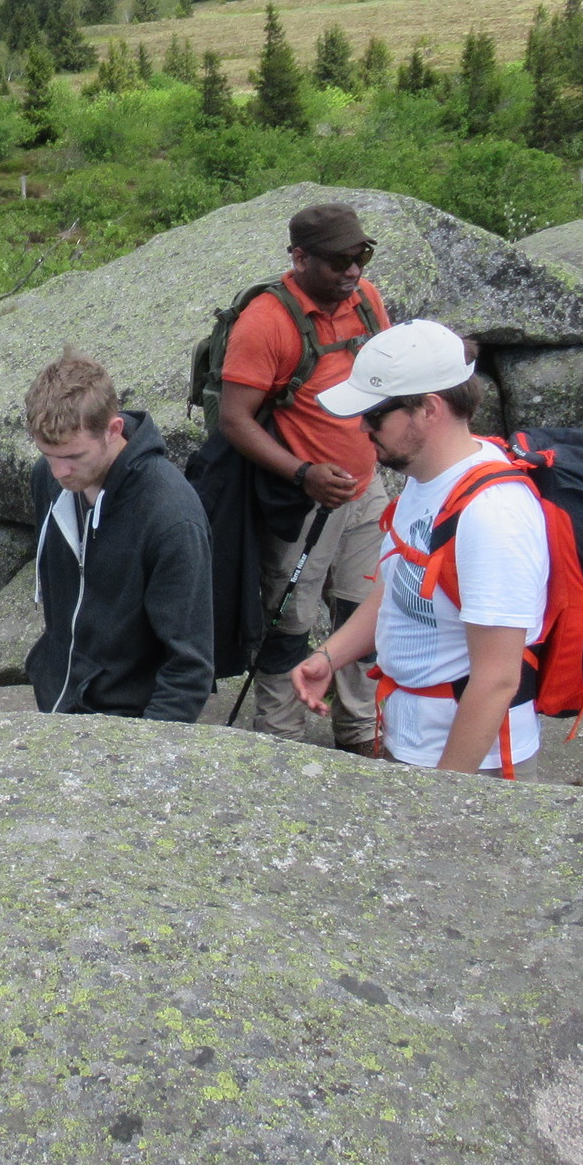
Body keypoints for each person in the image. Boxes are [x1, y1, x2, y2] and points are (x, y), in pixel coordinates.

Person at [290, 320, 550, 775]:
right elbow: (400, 587)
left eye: (375, 414)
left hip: (474, 765)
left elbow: (497, 678)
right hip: (411, 742)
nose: (362, 426)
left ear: (429, 409)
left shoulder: (492, 516)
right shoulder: (427, 479)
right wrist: (330, 656)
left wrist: (442, 794)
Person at [213, 200, 389, 749]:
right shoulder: (266, 321)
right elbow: (234, 419)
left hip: (367, 490)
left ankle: (360, 730)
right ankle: (280, 737)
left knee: (364, 613)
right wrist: (303, 473)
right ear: (300, 258)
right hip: (302, 503)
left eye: (361, 256)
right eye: (339, 261)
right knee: (289, 620)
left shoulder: (366, 301)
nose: (352, 271)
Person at [23, 351, 214, 721]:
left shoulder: (171, 517)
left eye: (74, 457)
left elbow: (189, 668)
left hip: (130, 721)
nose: (59, 472)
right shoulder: (46, 477)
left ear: (113, 430)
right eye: (48, 454)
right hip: (57, 704)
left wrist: (146, 745)